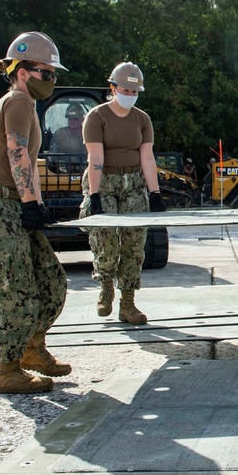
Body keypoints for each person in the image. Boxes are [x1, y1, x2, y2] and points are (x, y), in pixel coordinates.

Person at [0, 31, 71, 395]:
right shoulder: (18, 102)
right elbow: (16, 154)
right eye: (46, 73)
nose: (50, 80)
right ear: (23, 71)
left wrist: (36, 204)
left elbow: (28, 162)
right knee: (17, 294)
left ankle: (31, 350)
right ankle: (7, 370)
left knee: (51, 283)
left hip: (10, 204)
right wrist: (28, 203)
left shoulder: (26, 105)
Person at [80, 62, 167, 325]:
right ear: (113, 88)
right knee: (105, 241)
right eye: (125, 90)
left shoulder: (142, 119)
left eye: (134, 91)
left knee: (133, 243)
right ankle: (106, 287)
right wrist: (94, 195)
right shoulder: (96, 117)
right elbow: (95, 157)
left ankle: (127, 304)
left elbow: (147, 157)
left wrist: (155, 193)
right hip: (104, 180)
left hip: (133, 184)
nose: (129, 95)